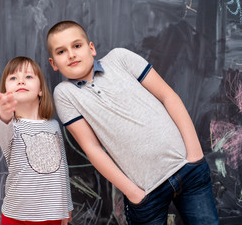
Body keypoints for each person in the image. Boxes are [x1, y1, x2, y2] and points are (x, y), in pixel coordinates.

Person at [46, 20, 219, 225]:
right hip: (145, 192)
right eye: (61, 51)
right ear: (53, 64)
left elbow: (167, 96)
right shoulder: (65, 94)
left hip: (187, 167)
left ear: (91, 48)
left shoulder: (120, 58)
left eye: (76, 46)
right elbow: (92, 148)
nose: (71, 54)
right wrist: (133, 192)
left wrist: (195, 153)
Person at [0, 56, 73, 225]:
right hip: (16, 215)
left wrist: (67, 206)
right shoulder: (10, 126)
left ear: (40, 90)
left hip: (52, 214)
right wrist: (4, 111)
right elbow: (1, 125)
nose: (21, 81)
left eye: (28, 77)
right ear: (6, 92)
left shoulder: (54, 126)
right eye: (13, 78)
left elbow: (62, 169)